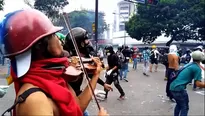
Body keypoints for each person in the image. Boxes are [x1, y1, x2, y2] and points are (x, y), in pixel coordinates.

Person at [0, 9, 108, 116]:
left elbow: (78, 107)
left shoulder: (55, 78)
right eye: (54, 35)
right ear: (41, 45)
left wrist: (95, 75)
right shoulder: (35, 100)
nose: (59, 40)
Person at [170, 50, 205, 116]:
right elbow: (198, 84)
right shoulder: (197, 68)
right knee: (185, 107)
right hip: (179, 89)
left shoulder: (189, 64)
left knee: (179, 104)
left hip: (172, 86)